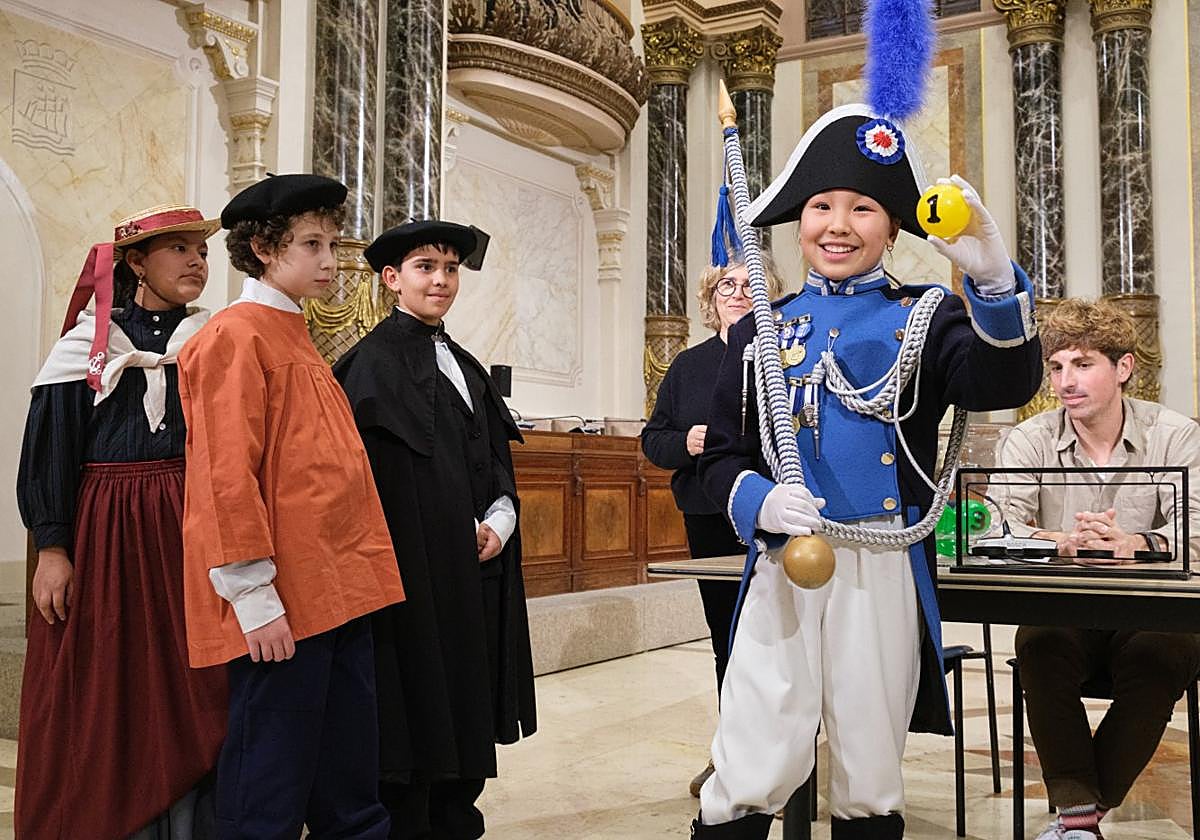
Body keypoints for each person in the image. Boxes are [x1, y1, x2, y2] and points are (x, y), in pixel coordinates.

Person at [692, 102, 1043, 839]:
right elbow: (715, 460)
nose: (838, 225)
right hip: (783, 562)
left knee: (869, 769)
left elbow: (1004, 385)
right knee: (751, 756)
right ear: (798, 220)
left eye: (863, 208)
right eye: (821, 206)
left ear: (891, 227)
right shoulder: (761, 327)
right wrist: (758, 501)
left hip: (881, 561)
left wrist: (993, 286)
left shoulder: (929, 314)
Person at [178, 174, 406, 839]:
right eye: (312, 244)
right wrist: (252, 596)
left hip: (339, 589)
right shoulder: (235, 336)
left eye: (331, 243)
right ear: (261, 248)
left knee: (348, 776)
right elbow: (225, 475)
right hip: (285, 603)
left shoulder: (295, 334)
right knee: (268, 783)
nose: (331, 261)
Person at [15, 205, 228, 839]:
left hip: (187, 529)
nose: (196, 261)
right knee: (108, 683)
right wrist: (53, 546)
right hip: (107, 531)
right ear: (136, 263)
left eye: (201, 250)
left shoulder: (209, 340)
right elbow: (49, 447)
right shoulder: (87, 345)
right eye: (178, 250)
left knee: (193, 684)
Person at [333, 219, 536, 840]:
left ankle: (456, 819)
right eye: (425, 268)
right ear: (393, 279)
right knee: (415, 706)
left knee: (467, 696)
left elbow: (494, 461)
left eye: (450, 269)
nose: (441, 281)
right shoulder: (367, 366)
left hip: (471, 572)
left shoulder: (466, 364)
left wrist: (500, 521)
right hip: (412, 577)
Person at [996, 298, 1200, 840]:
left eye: (1083, 364)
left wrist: (1136, 543)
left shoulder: (1175, 434)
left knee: (1161, 652)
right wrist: (1060, 543)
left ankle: (1077, 817)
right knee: (1039, 643)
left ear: (1124, 368)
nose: (1066, 380)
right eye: (1057, 366)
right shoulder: (1030, 438)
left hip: (1155, 609)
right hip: (1066, 607)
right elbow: (995, 529)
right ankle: (1082, 819)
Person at [641, 185, 784, 798]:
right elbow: (654, 440)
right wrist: (690, 442)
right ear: (710, 299)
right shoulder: (688, 367)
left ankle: (785, 751)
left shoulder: (785, 352)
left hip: (776, 514)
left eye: (750, 281)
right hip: (707, 512)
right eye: (727, 285)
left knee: (778, 637)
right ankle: (733, 751)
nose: (740, 292)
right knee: (727, 636)